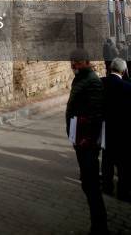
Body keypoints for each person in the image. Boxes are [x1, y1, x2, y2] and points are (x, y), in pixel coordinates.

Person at [66, 48, 107, 235]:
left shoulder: (93, 82)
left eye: (76, 62)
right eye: (71, 62)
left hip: (87, 143)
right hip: (80, 141)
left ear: (86, 62)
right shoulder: (81, 78)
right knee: (87, 184)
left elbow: (96, 114)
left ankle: (100, 227)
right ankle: (97, 224)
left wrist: (86, 139)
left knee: (91, 185)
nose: (73, 65)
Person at [101, 57, 131, 201]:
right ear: (124, 71)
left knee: (107, 159)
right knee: (123, 163)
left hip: (106, 128)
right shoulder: (127, 87)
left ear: (110, 68)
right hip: (123, 131)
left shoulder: (101, 83)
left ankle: (107, 187)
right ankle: (123, 192)